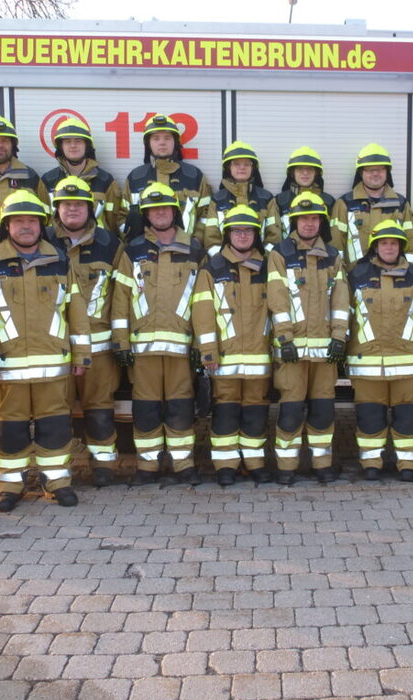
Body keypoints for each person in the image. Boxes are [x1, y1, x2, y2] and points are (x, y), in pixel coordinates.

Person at [0, 190, 91, 511]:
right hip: (8, 367)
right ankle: (9, 487)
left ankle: (57, 482)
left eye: (32, 221)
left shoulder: (58, 260)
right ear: (6, 225)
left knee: (54, 426)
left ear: (42, 225)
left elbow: (76, 309)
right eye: (18, 221)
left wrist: (81, 353)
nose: (26, 227)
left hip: (53, 365)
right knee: (9, 429)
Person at [113, 183, 205, 485]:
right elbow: (120, 299)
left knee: (180, 407)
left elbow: (205, 302)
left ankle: (183, 465)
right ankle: (147, 467)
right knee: (146, 410)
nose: (160, 213)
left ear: (174, 212)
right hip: (143, 351)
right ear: (146, 214)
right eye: (154, 210)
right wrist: (121, 341)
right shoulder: (133, 250)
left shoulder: (193, 248)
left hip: (181, 349)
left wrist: (201, 343)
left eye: (165, 208)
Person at [45, 176, 129, 488]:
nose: (73, 210)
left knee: (100, 408)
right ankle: (59, 470)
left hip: (99, 347)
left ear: (90, 209)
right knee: (55, 411)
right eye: (66, 205)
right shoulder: (43, 242)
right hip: (56, 345)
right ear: (57, 209)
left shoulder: (110, 245)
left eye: (79, 204)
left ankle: (104, 466)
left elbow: (122, 295)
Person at [346, 220, 413, 482]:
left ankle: (409, 464)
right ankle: (371, 463)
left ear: (401, 246)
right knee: (370, 416)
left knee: (409, 416)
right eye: (383, 243)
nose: (389, 247)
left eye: (394, 243)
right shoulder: (356, 275)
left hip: (409, 364)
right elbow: (345, 315)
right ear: (374, 246)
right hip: (367, 362)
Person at [266, 191, 349, 485]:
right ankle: (287, 467)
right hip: (293, 352)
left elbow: (340, 300)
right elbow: (277, 300)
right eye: (304, 219)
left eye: (314, 219)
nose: (309, 224)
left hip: (326, 351)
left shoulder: (333, 256)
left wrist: (339, 338)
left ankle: (321, 464)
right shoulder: (280, 254)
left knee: (323, 410)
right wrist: (284, 339)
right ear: (294, 221)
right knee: (290, 409)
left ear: (321, 222)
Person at [191, 205, 273, 486]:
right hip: (224, 358)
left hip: (260, 355)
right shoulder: (212, 268)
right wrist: (208, 351)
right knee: (225, 410)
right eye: (237, 230)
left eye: (248, 230)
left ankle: (254, 462)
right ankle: (225, 465)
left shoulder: (269, 266)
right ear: (227, 234)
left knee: (256, 410)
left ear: (256, 234)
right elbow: (203, 314)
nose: (242, 235)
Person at [122, 114, 211, 242]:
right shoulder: (135, 178)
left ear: (175, 142)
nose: (162, 142)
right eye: (156, 138)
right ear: (148, 144)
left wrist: (196, 240)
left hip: (187, 251)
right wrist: (135, 240)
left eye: (167, 138)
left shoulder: (194, 176)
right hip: (146, 253)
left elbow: (206, 214)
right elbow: (122, 216)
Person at [330, 143, 413, 268]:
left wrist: (412, 273)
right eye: (370, 170)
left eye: (380, 169)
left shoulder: (401, 204)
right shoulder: (345, 204)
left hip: (394, 278)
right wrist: (340, 276)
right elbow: (336, 245)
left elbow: (411, 244)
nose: (375, 173)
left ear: (387, 172)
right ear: (361, 173)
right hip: (355, 277)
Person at [41, 116, 126, 234]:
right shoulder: (47, 181)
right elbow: (42, 222)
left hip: (97, 246)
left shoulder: (106, 181)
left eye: (78, 141)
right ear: (60, 147)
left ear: (87, 145)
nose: (73, 146)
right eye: (67, 141)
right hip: (57, 247)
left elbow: (114, 223)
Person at [203, 141, 282, 254]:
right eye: (236, 164)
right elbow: (211, 238)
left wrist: (262, 260)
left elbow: (274, 236)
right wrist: (223, 261)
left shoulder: (266, 199)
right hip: (224, 265)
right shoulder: (217, 200)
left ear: (253, 168)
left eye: (247, 164)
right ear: (228, 168)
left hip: (260, 265)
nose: (242, 168)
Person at [274, 146, 336, 239]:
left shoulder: (329, 201)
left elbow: (334, 236)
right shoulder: (279, 201)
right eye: (300, 169)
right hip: (286, 252)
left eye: (310, 169)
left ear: (316, 173)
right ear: (292, 173)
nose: (305, 173)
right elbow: (273, 234)